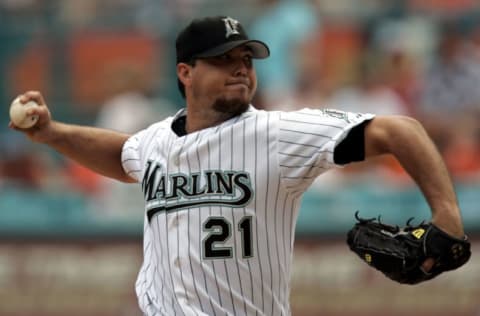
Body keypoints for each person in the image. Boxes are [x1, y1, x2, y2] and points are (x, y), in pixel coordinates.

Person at [10, 16, 467, 316]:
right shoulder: (155, 141)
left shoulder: (279, 134)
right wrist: (53, 134)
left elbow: (401, 130)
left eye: (246, 59)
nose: (240, 69)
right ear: (185, 73)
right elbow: (124, 154)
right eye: (223, 60)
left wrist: (447, 216)